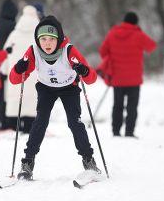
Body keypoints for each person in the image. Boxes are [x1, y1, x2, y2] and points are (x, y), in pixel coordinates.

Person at [9, 15, 100, 180]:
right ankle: (27, 163)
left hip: (69, 88)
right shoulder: (33, 51)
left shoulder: (69, 50)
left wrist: (84, 71)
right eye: (43, 39)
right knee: (40, 121)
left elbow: (91, 78)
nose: (47, 43)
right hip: (46, 89)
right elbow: (14, 79)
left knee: (74, 122)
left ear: (58, 39)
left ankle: (89, 161)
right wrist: (18, 68)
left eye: (51, 39)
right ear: (38, 40)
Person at [98, 11, 157, 138]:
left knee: (117, 105)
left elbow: (102, 51)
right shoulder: (138, 35)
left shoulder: (113, 33)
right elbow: (152, 46)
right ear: (135, 22)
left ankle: (116, 131)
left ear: (124, 21)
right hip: (134, 79)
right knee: (132, 107)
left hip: (117, 78)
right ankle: (129, 132)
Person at [1, 5, 39, 133]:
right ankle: (29, 127)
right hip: (33, 74)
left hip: (16, 74)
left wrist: (5, 70)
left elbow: (6, 53)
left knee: (15, 99)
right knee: (32, 100)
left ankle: (13, 127)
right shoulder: (39, 36)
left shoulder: (14, 34)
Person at [0, 0, 18, 130]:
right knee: (9, 95)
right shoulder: (12, 26)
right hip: (9, 63)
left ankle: (0, 120)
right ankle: (8, 122)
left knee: (1, 94)